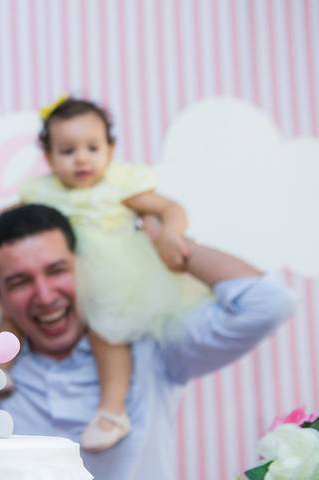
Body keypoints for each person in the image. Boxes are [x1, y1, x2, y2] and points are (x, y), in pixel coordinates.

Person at [0, 204, 296, 480]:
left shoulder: (151, 349)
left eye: (56, 269)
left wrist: (165, 242)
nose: (45, 296)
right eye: (19, 280)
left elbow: (269, 303)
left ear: (87, 270)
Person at [13, 94, 210, 451]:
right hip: (57, 274)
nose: (82, 158)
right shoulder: (41, 191)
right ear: (49, 157)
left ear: (111, 148)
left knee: (109, 329)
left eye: (92, 147)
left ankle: (112, 409)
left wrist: (170, 234)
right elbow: (11, 225)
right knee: (11, 310)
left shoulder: (119, 187)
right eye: (68, 151)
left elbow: (171, 208)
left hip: (113, 273)